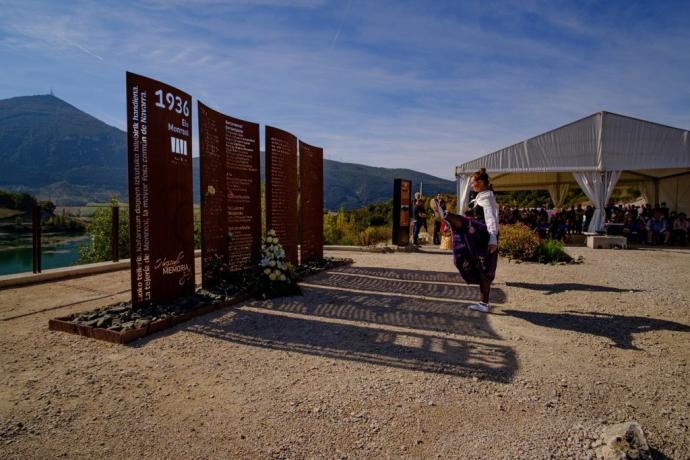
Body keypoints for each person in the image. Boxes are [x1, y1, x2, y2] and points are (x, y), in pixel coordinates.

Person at [431, 168, 499, 313]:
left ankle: (445, 214)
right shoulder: (481, 196)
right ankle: (484, 304)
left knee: (465, 222)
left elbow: (492, 218)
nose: (472, 185)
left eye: (473, 183)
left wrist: (493, 239)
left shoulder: (487, 197)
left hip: (483, 233)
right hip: (479, 234)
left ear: (481, 183)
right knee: (483, 269)